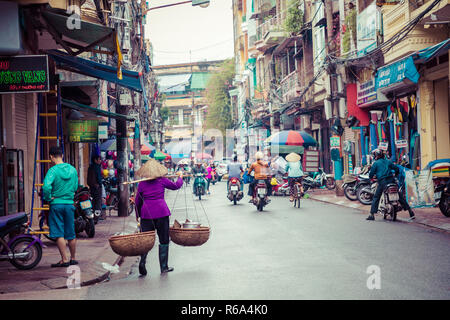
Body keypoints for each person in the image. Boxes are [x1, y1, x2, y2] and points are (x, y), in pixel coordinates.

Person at [135, 167, 184, 276]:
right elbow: (176, 186)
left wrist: (138, 215)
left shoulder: (142, 184)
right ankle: (164, 267)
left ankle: (142, 262)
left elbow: (137, 201)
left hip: (146, 215)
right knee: (164, 240)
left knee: (146, 240)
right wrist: (180, 177)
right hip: (161, 213)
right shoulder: (162, 180)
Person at [42, 146, 79, 267]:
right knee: (71, 233)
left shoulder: (52, 171)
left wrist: (48, 198)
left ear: (51, 157)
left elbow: (46, 187)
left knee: (59, 233)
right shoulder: (72, 170)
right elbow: (75, 186)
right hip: (69, 204)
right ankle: (73, 258)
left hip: (56, 204)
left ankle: (65, 259)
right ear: (62, 155)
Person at [367, 149, 415, 221]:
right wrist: (395, 174)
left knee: (376, 196)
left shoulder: (375, 163)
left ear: (376, 156)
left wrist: (371, 178)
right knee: (399, 196)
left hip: (382, 182)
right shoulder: (388, 162)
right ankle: (410, 211)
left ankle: (372, 214)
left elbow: (371, 174)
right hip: (391, 180)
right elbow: (396, 168)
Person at [87, 154, 103, 220]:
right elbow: (99, 178)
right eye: (99, 159)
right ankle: (96, 217)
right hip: (97, 187)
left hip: (91, 187)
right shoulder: (97, 167)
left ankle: (93, 216)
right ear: (95, 160)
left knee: (93, 202)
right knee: (98, 203)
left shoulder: (90, 167)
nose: (100, 161)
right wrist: (100, 184)